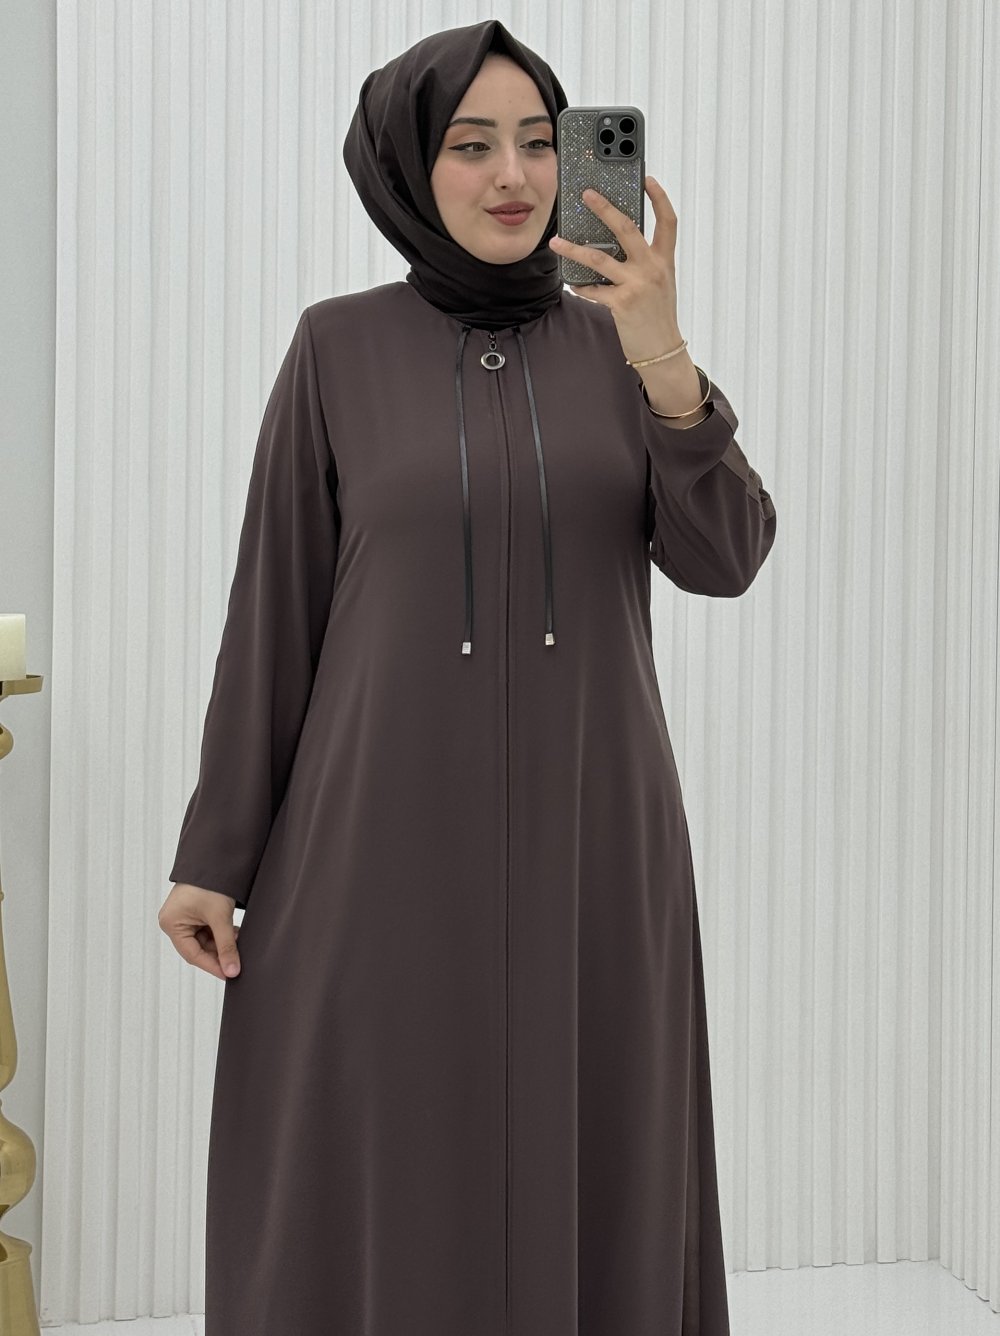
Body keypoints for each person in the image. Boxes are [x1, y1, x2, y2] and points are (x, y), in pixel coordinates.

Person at [157, 18, 775, 1335]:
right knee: (386, 1147)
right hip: (372, 843)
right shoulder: (336, 349)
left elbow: (725, 558)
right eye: (472, 144)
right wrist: (215, 855)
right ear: (404, 165)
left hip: (591, 840)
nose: (514, 176)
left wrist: (663, 351)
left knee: (594, 1132)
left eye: (541, 143)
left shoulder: (625, 349)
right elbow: (274, 614)